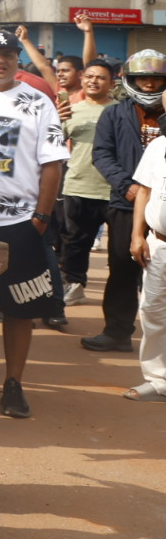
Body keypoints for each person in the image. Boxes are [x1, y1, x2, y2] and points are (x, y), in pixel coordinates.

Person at [0, 30, 68, 419]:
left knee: (20, 309)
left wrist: (40, 219)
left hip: (22, 223)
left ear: (17, 59)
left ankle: (15, 383)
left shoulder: (38, 102)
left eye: (8, 53)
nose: (0, 60)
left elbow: (53, 163)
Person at [85, 49, 166, 352]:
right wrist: (127, 186)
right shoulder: (114, 114)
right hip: (125, 205)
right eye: (142, 77)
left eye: (156, 78)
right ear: (131, 80)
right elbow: (102, 154)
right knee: (122, 268)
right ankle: (117, 332)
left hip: (163, 206)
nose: (148, 84)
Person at [59, 60, 117, 307]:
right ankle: (75, 285)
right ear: (82, 80)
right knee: (75, 242)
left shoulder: (121, 111)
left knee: (120, 248)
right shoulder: (70, 110)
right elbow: (53, 145)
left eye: (101, 77)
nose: (94, 81)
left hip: (115, 189)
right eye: (90, 76)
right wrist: (57, 121)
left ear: (111, 83)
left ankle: (121, 293)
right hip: (78, 185)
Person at [128, 125, 166, 401]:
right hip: (158, 243)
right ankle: (158, 380)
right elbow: (143, 192)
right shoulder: (158, 145)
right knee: (152, 312)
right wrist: (137, 235)